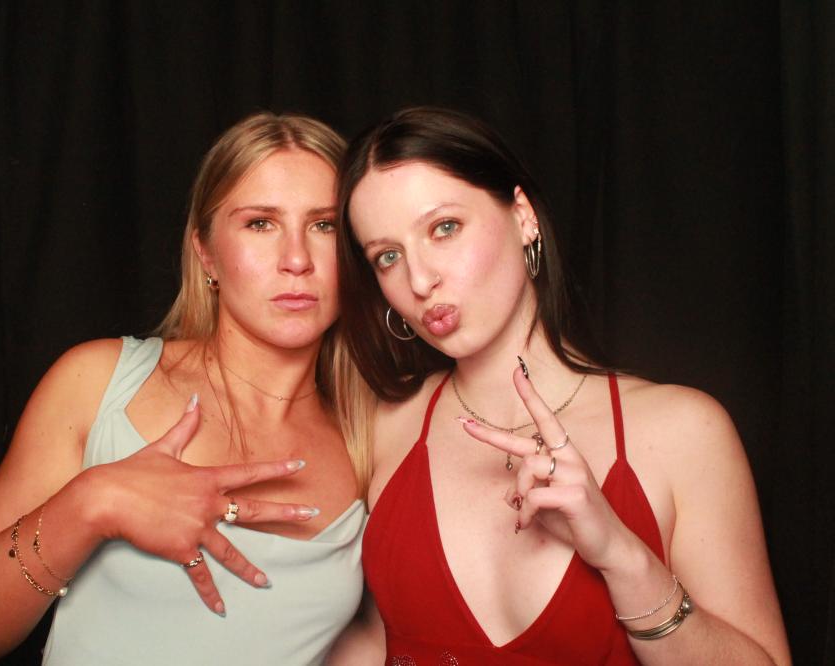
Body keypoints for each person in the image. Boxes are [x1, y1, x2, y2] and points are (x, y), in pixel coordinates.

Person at [328, 107, 790, 665]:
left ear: (523, 216)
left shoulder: (682, 432)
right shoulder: (380, 428)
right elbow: (367, 638)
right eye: (388, 256)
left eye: (444, 228)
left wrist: (621, 555)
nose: (420, 280)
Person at [0, 112, 372, 666]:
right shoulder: (99, 382)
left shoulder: (370, 436)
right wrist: (95, 502)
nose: (297, 260)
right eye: (260, 223)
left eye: (325, 226)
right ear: (206, 251)